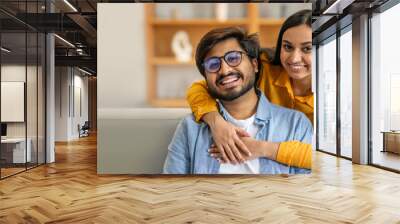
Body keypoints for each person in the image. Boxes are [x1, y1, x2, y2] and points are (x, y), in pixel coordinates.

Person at [163, 27, 312, 174]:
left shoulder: (296, 125)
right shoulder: (190, 129)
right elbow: (171, 191)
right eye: (213, 64)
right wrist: (216, 122)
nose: (225, 70)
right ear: (206, 78)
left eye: (234, 58)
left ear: (255, 65)